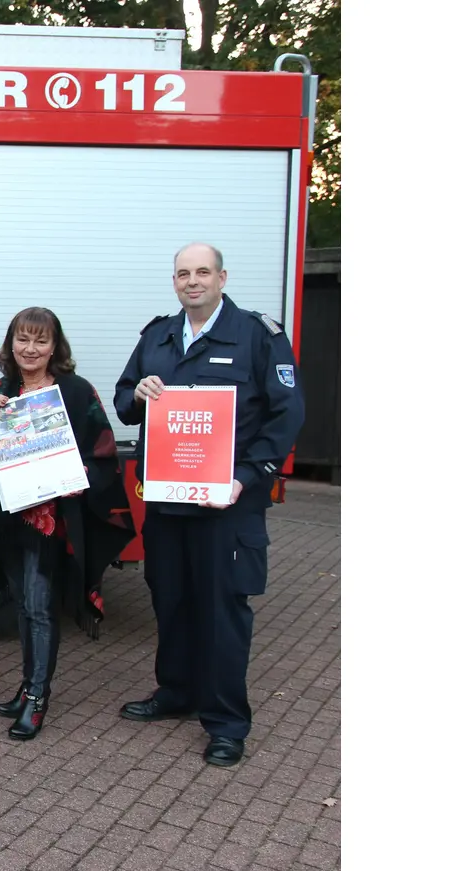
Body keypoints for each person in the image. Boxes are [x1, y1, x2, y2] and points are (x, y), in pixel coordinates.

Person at [114, 242, 304, 768]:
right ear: (174, 281)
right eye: (182, 273)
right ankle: (175, 692)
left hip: (228, 505)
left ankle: (225, 722)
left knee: (222, 612)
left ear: (222, 277)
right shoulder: (157, 335)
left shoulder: (256, 336)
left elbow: (287, 414)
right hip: (170, 503)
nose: (191, 281)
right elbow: (124, 400)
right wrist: (138, 393)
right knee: (169, 600)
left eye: (202, 272)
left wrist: (249, 477)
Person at [0, 308, 134, 739]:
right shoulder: (1, 390)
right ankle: (27, 687)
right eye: (23, 339)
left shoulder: (77, 392)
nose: (31, 349)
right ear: (11, 344)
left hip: (51, 521)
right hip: (10, 518)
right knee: (22, 606)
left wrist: (79, 478)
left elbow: (103, 449)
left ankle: (39, 698)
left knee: (41, 608)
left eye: (41, 341)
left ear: (55, 347)